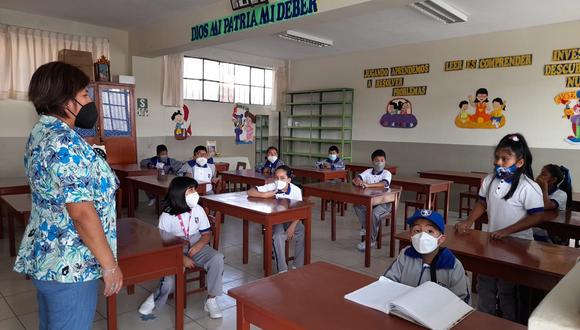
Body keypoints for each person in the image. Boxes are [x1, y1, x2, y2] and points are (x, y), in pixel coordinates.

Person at [13, 62, 123, 329]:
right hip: (71, 263)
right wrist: (109, 266)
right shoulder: (63, 142)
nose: (90, 101)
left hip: (49, 257)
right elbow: (81, 212)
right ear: (65, 100)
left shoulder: (42, 133)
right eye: (85, 95)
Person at [455, 133, 544, 322]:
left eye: (505, 159)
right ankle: (484, 321)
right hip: (493, 243)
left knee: (507, 290)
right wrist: (468, 221)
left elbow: (537, 216)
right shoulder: (489, 180)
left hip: (519, 247)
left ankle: (507, 323)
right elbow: (482, 203)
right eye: (497, 158)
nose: (499, 162)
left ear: (519, 163)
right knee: (485, 284)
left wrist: (508, 230)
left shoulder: (528, 186)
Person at [139, 177, 224, 318]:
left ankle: (211, 299)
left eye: (195, 190)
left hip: (197, 243)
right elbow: (161, 242)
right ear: (179, 193)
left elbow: (206, 234)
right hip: (172, 247)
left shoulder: (198, 209)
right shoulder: (167, 215)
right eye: (190, 190)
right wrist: (181, 257)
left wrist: (199, 245)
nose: (195, 193)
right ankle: (154, 298)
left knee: (217, 258)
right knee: (169, 280)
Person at [384, 209, 470, 303]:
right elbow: (388, 281)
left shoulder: (453, 265)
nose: (422, 236)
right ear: (410, 236)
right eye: (417, 230)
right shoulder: (405, 255)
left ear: (441, 239)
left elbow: (462, 302)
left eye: (430, 231)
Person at [247, 165, 304, 273]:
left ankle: (298, 265)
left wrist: (292, 227)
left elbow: (300, 211)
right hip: (275, 220)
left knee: (301, 230)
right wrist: (264, 195)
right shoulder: (272, 186)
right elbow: (250, 192)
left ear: (289, 179)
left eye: (282, 178)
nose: (279, 181)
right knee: (278, 236)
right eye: (276, 178)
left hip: (290, 219)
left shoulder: (296, 190)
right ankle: (282, 269)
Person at [352, 149, 392, 251]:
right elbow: (356, 179)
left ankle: (371, 240)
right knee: (357, 205)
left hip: (384, 203)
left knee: (374, 214)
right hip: (370, 201)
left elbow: (383, 184)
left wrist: (368, 185)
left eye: (382, 160)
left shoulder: (387, 173)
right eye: (377, 160)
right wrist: (358, 181)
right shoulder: (368, 171)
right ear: (372, 162)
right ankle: (367, 227)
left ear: (385, 161)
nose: (379, 163)